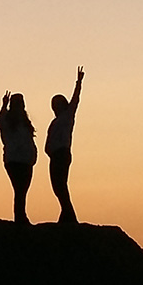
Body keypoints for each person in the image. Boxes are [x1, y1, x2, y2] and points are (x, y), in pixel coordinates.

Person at [45, 67, 85, 224]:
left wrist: (79, 83)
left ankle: (69, 216)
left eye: (57, 103)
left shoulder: (67, 116)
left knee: (60, 185)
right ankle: (66, 214)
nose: (55, 106)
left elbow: (75, 100)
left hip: (61, 153)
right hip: (54, 155)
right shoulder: (55, 121)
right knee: (57, 186)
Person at [0, 91, 37, 224]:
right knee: (19, 189)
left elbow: (29, 140)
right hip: (14, 160)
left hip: (26, 160)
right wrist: (3, 106)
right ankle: (20, 217)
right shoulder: (7, 120)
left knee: (22, 190)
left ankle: (21, 215)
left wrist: (33, 154)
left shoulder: (25, 122)